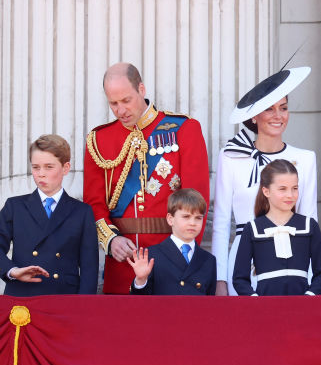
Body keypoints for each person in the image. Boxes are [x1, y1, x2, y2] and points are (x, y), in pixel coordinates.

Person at [84, 63, 210, 294]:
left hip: (172, 260)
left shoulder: (184, 129)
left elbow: (196, 201)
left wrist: (185, 256)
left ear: (141, 89)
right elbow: (93, 204)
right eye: (113, 103)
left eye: (126, 100)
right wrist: (111, 242)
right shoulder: (99, 140)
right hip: (123, 262)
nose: (121, 110)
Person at [212, 67, 317, 296]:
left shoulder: (305, 159)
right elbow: (221, 223)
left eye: (284, 108)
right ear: (254, 115)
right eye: (269, 108)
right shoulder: (231, 157)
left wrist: (311, 280)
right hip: (243, 261)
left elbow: (309, 221)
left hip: (292, 260)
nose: (278, 116)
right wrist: (220, 279)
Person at [0, 135, 99, 295]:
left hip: (64, 298)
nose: (41, 174)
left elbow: (89, 268)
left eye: (48, 167)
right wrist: (12, 270)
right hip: (22, 296)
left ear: (65, 168)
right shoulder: (15, 206)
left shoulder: (82, 212)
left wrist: (83, 309)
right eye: (36, 167)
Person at [232, 159, 321, 296]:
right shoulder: (252, 228)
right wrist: (255, 300)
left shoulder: (309, 226)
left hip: (302, 309)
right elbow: (239, 278)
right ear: (266, 191)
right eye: (282, 189)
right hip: (265, 310)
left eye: (294, 188)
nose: (290, 195)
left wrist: (310, 296)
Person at [127, 188, 217, 295]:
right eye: (186, 217)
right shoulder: (152, 255)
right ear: (170, 219)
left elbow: (209, 305)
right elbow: (140, 304)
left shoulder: (208, 260)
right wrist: (141, 281)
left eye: (198, 218)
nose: (192, 223)